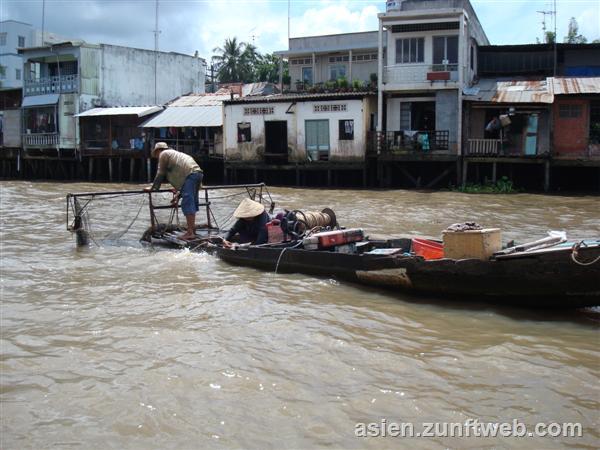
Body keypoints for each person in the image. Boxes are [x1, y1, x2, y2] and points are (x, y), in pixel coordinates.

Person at [145, 142, 203, 240]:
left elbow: (160, 173)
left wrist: (153, 188)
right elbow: (181, 176)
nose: (157, 157)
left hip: (190, 175)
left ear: (159, 150)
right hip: (197, 174)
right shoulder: (175, 154)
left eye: (156, 154)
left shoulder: (164, 154)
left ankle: (190, 233)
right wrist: (178, 194)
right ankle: (192, 230)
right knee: (192, 202)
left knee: (187, 203)